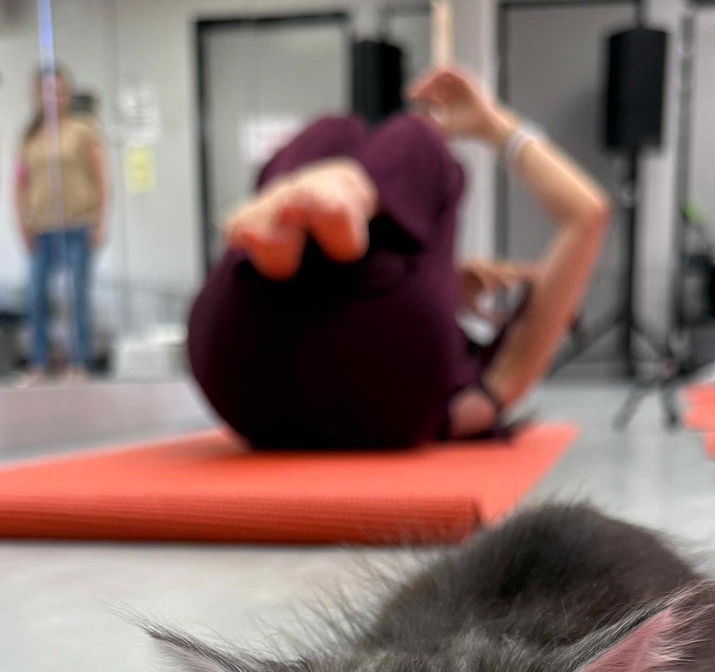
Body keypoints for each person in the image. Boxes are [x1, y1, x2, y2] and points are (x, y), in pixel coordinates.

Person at [188, 64, 610, 449]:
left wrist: (491, 123)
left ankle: (307, 208)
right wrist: (494, 128)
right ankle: (328, 203)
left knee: (383, 133)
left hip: (241, 354)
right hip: (356, 398)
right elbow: (587, 215)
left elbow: (591, 214)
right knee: (368, 135)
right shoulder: (490, 381)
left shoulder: (451, 343)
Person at [15, 65, 108, 379]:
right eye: (46, 90)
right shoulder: (31, 137)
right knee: (36, 296)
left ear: (67, 94)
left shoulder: (82, 131)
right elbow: (20, 184)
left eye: (59, 90)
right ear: (36, 95)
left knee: (77, 295)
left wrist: (100, 219)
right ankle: (38, 362)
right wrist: (22, 223)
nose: (53, 97)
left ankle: (78, 363)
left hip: (78, 223)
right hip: (42, 227)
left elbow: (101, 177)